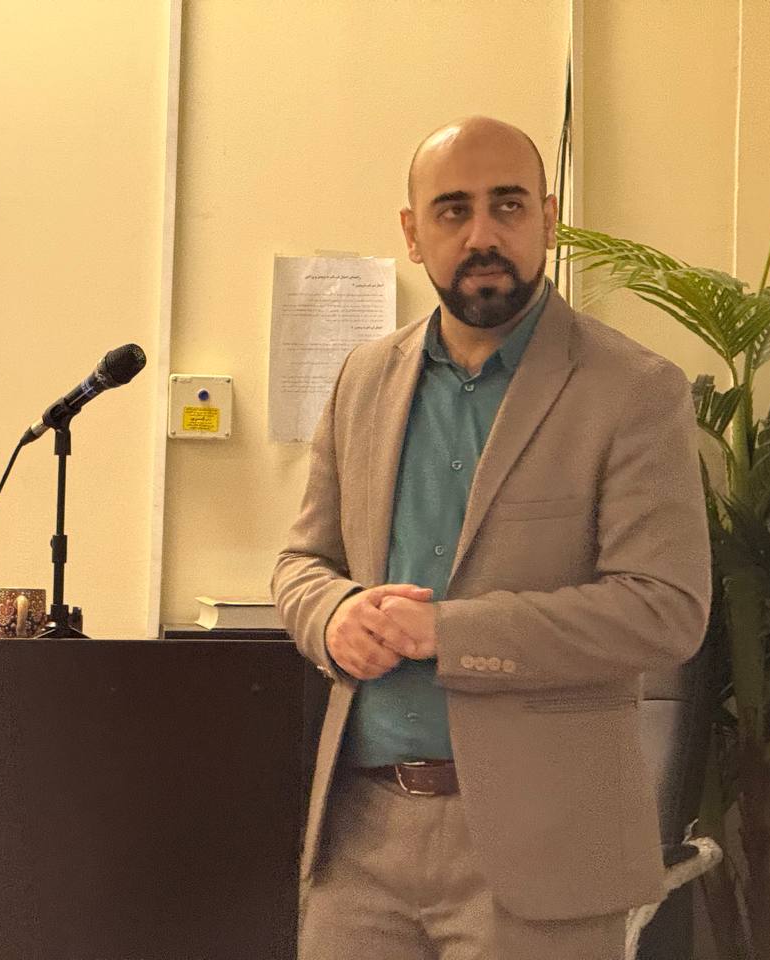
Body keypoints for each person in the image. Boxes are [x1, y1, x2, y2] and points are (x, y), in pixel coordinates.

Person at [271, 116, 711, 960]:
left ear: (548, 218)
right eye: (453, 210)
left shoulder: (633, 390)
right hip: (359, 840)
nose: (482, 235)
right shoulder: (363, 379)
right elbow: (302, 562)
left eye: (507, 206)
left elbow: (665, 610)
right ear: (413, 234)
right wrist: (331, 614)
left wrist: (451, 631)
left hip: (546, 845)